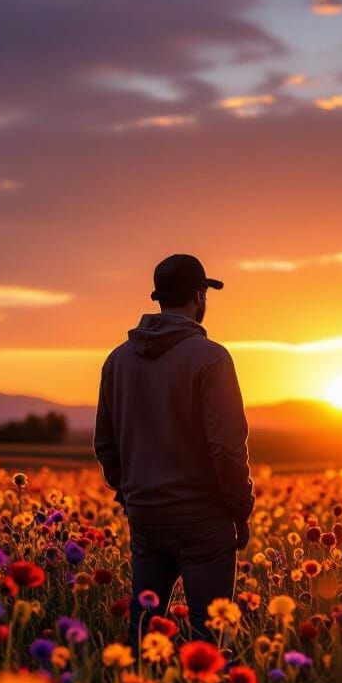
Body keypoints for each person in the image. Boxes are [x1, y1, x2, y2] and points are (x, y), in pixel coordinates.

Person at [94, 253, 254, 643]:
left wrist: (129, 496)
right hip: (203, 517)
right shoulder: (211, 359)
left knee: (144, 632)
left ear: (159, 298)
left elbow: (105, 445)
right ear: (199, 296)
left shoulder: (116, 362)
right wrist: (240, 507)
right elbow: (227, 448)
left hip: (146, 515)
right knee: (211, 637)